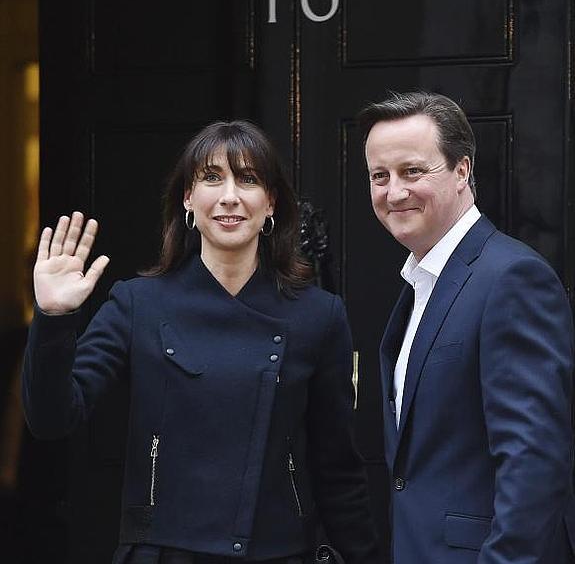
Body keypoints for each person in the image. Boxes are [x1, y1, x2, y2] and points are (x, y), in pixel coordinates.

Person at [23, 121, 381, 564]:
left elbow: (339, 468)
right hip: (165, 551)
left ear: (270, 203)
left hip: (279, 552)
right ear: (188, 199)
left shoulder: (319, 315)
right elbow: (52, 418)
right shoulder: (139, 303)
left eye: (247, 179)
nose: (229, 195)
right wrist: (54, 319)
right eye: (212, 178)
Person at [359, 91, 575, 564]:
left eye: (412, 171)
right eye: (380, 176)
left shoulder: (511, 278)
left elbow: (534, 462)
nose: (393, 192)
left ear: (462, 170)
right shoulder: (421, 284)